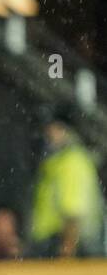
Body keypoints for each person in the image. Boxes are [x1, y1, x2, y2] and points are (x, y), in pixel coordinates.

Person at [29, 107, 105, 258]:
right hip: (55, 242)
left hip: (63, 245)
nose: (48, 134)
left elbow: (73, 212)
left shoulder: (71, 163)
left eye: (54, 129)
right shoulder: (58, 162)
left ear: (67, 131)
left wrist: (67, 251)